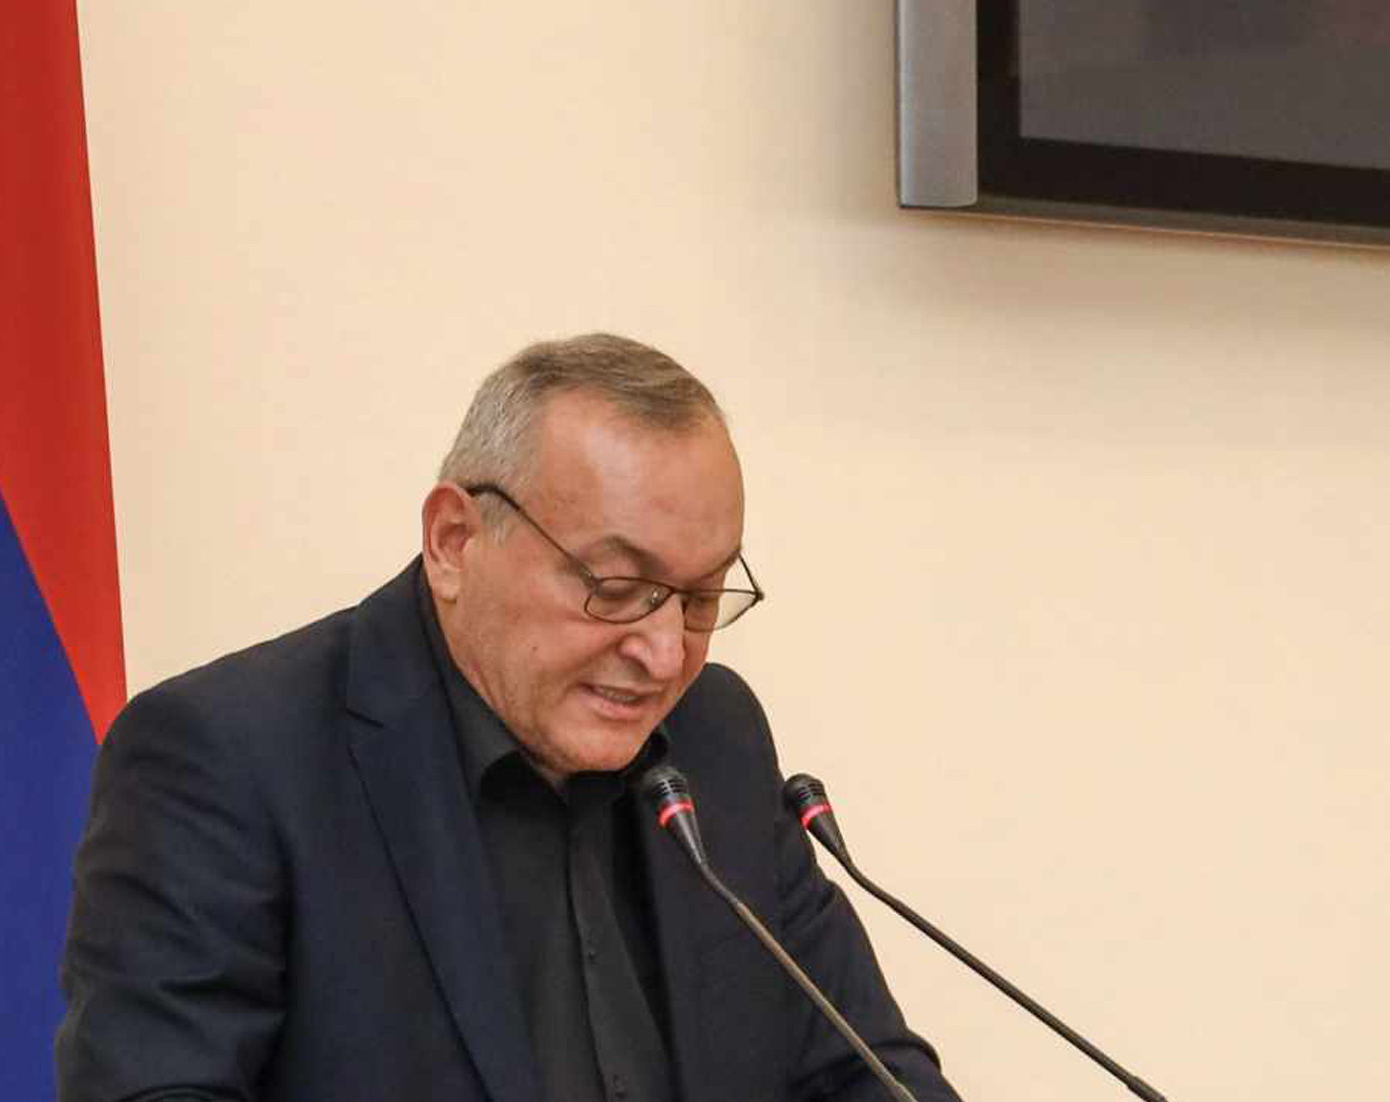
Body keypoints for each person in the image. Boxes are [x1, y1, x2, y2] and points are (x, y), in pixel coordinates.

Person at [56, 333, 961, 1102]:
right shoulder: (228, 759)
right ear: (454, 541)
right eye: (617, 587)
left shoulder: (715, 737)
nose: (662, 653)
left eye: (698, 598)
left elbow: (867, 1074)